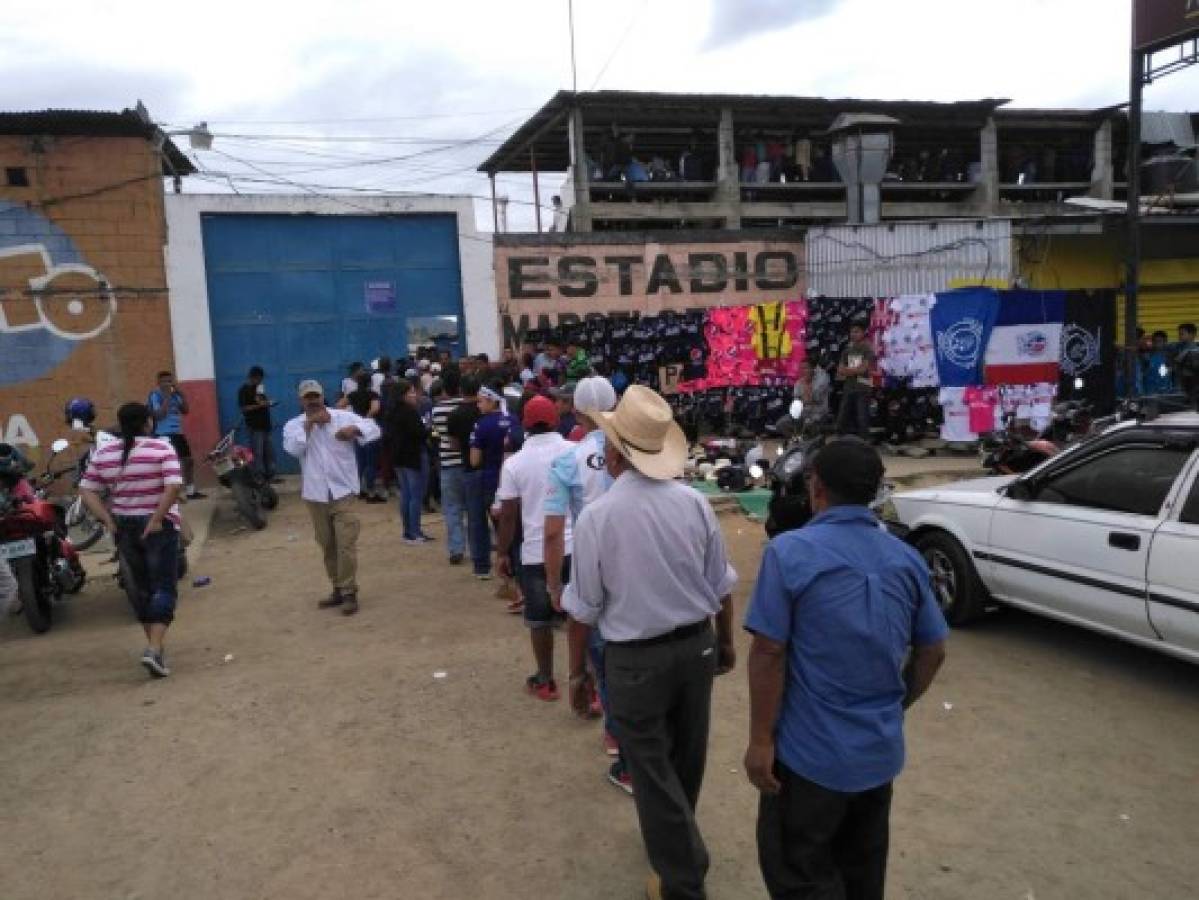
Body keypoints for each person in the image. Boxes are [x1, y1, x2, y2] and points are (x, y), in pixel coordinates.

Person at [743, 438, 948, 900]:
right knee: (862, 874)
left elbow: (768, 652)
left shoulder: (789, 553)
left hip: (808, 758)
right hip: (878, 754)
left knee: (799, 874)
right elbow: (933, 651)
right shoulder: (906, 557)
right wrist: (896, 704)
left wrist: (760, 740)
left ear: (816, 487)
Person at [564, 385, 737, 900]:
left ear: (615, 453)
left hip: (635, 660)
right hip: (695, 648)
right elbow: (720, 584)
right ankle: (677, 849)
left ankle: (684, 876)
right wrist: (725, 642)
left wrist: (577, 673)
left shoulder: (598, 518)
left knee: (651, 768)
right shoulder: (694, 505)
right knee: (686, 758)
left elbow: (584, 609)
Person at [542, 377, 630, 791]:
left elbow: (554, 532)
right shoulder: (634, 450)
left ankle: (615, 729)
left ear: (575, 413)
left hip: (588, 562)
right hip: (633, 558)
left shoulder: (566, 463)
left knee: (600, 648)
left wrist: (553, 583)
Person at [79, 402, 184, 677]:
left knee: (142, 589)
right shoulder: (161, 447)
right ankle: (154, 649)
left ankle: (155, 649)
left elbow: (87, 490)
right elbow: (174, 485)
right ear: (148, 422)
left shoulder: (104, 452)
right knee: (163, 587)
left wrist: (108, 520)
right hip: (157, 526)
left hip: (124, 526)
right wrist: (158, 518)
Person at [495, 395, 572, 700]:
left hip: (536, 550)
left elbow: (509, 514)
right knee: (583, 617)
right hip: (574, 545)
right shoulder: (573, 452)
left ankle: (545, 679)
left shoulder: (514, 463)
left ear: (525, 424)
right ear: (554, 420)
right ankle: (589, 682)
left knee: (539, 619)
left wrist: (502, 553)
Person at [283, 380, 379, 616]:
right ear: (301, 401)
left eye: (316, 396)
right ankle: (337, 586)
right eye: (308, 397)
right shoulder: (294, 425)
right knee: (327, 544)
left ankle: (349, 592)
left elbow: (374, 428)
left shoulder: (342, 417)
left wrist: (354, 431)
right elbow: (293, 449)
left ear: (323, 397)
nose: (313, 401)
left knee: (345, 542)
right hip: (315, 494)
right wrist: (309, 424)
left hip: (343, 491)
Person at [467, 384, 521, 583]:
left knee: (495, 527)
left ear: (492, 400)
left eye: (481, 401)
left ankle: (499, 571)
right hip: (516, 480)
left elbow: (474, 460)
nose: (478, 406)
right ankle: (517, 570)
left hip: (492, 481)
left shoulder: (482, 425)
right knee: (515, 528)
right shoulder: (515, 420)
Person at [385, 378, 434, 545]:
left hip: (398, 458)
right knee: (416, 495)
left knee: (406, 495)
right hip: (413, 456)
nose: (414, 395)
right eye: (411, 392)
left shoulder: (390, 412)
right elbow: (420, 433)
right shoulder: (410, 412)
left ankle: (407, 532)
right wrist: (428, 428)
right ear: (403, 395)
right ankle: (415, 532)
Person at [148, 370, 204, 499]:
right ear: (159, 383)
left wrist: (182, 395)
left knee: (188, 461)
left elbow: (185, 411)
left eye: (170, 380)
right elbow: (159, 415)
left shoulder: (175, 395)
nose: (168, 383)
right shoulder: (155, 395)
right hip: (163, 434)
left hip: (177, 432)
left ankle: (190, 491)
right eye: (165, 381)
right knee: (167, 464)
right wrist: (167, 397)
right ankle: (167, 493)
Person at [432, 370, 468, 564]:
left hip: (448, 462)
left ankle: (456, 548)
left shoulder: (437, 410)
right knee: (471, 508)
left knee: (452, 508)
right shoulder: (469, 407)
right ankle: (476, 545)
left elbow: (438, 434)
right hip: (468, 462)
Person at [339, 372, 385, 503]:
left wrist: (353, 419)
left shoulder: (352, 395)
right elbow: (375, 409)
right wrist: (367, 418)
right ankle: (371, 491)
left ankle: (358, 489)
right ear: (370, 382)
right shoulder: (373, 394)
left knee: (360, 461)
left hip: (357, 430)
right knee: (371, 462)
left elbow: (340, 404)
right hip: (369, 429)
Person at [835, 323, 875, 439]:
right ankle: (839, 440)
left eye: (857, 332)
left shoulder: (867, 349)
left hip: (864, 387)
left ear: (863, 333)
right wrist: (853, 371)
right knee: (842, 415)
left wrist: (849, 371)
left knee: (862, 417)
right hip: (849, 386)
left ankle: (864, 441)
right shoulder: (847, 350)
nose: (853, 334)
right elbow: (840, 370)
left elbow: (863, 369)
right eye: (852, 332)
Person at [237, 366, 277, 482]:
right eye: (259, 379)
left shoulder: (259, 389)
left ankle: (270, 475)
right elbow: (244, 408)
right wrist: (260, 405)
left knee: (269, 452)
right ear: (253, 377)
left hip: (266, 425)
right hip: (254, 426)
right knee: (257, 452)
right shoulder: (243, 390)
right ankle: (258, 476)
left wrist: (268, 403)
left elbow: (262, 401)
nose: (260, 381)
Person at [778, 359, 831, 435]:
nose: (803, 371)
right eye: (801, 368)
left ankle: (810, 439)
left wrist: (807, 385)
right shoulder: (798, 383)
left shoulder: (821, 380)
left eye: (806, 368)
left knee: (808, 424)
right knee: (781, 424)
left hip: (818, 414)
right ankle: (797, 439)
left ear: (813, 369)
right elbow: (797, 403)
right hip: (803, 413)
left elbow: (813, 399)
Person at [1141, 330, 1175, 396]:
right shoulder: (1148, 356)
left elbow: (1166, 373)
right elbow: (1144, 371)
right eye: (1155, 341)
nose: (1157, 344)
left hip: (1163, 388)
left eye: (1159, 341)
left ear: (1165, 342)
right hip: (1149, 388)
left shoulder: (1168, 356)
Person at [1175, 323, 1199, 408]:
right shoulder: (1178, 349)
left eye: (1182, 334)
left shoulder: (1196, 351)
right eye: (1179, 334)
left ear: (1192, 334)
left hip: (1193, 388)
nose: (1179, 336)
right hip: (1182, 388)